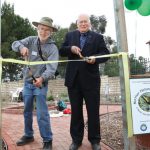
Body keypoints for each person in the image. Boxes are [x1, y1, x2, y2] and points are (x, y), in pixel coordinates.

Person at [59, 14, 110, 150]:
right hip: (73, 80)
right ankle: (76, 140)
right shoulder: (70, 36)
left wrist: (96, 58)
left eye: (85, 22)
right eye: (80, 22)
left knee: (93, 111)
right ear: (77, 24)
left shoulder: (98, 37)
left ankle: (95, 140)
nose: (83, 24)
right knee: (76, 111)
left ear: (89, 24)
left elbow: (105, 54)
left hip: (91, 81)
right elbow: (61, 50)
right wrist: (71, 49)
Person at [12, 17, 59, 150]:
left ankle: (48, 140)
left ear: (51, 32)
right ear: (37, 28)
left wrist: (42, 79)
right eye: (42, 28)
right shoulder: (30, 40)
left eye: (47, 30)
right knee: (27, 111)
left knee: (42, 113)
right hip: (27, 83)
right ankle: (28, 135)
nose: (43, 32)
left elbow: (51, 68)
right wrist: (21, 47)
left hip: (40, 85)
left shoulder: (53, 48)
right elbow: (14, 44)